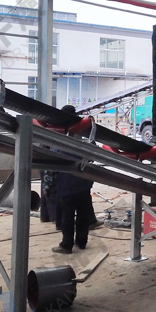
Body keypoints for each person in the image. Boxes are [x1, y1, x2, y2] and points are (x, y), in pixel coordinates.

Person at [52, 105, 96, 254]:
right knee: (83, 215)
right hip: (84, 183)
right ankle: (81, 242)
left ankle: (66, 245)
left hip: (67, 185)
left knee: (67, 217)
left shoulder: (59, 137)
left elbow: (53, 162)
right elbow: (93, 155)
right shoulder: (83, 135)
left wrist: (48, 186)